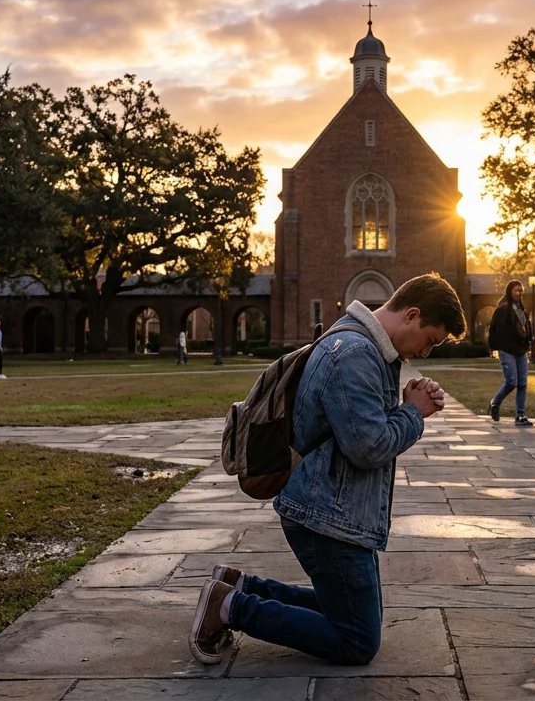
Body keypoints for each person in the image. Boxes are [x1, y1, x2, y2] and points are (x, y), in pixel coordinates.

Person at [188, 273, 465, 666]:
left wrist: (404, 403)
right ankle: (228, 606)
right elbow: (368, 447)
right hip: (326, 515)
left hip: (336, 507)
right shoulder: (355, 353)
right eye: (431, 340)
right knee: (356, 640)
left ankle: (239, 585)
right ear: (412, 315)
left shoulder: (365, 345)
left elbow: (358, 425)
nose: (426, 352)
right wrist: (413, 413)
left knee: (353, 613)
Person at [485, 279, 534, 426]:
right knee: (512, 381)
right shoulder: (503, 309)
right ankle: (495, 403)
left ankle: (520, 415)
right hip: (507, 350)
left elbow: (526, 328)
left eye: (521, 291)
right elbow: (495, 329)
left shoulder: (521, 309)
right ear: (510, 292)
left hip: (521, 350)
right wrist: (495, 347)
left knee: (523, 383)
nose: (519, 293)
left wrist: (528, 340)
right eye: (516, 290)